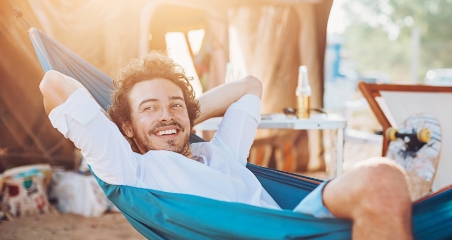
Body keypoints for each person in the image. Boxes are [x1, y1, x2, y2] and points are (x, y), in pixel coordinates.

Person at [39, 52, 412, 239]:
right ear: (126, 128)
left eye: (174, 105)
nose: (165, 114)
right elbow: (53, 84)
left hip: (297, 226)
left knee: (384, 181)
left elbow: (250, 85)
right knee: (379, 178)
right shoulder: (129, 169)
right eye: (148, 108)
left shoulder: (221, 152)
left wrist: (177, 122)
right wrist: (129, 134)